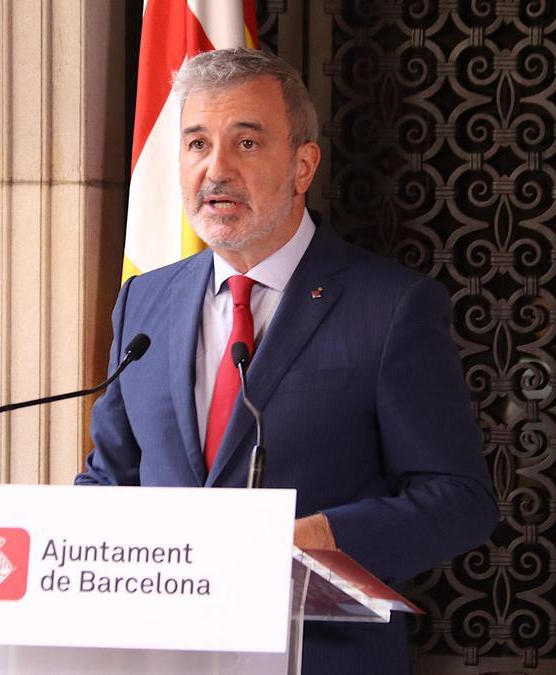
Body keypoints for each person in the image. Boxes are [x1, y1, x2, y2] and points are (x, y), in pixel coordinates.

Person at [76, 48, 497, 674]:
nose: (214, 170)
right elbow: (111, 479)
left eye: (246, 143)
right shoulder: (144, 300)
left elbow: (460, 500)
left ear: (302, 165)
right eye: (196, 145)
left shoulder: (391, 307)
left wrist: (318, 541)